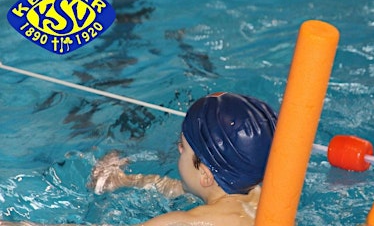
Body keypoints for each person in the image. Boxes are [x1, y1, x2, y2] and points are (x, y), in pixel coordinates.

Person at [0, 92, 278, 226]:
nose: (177, 150)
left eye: (182, 146)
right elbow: (183, 188)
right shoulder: (259, 195)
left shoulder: (182, 223)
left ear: (205, 174)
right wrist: (127, 180)